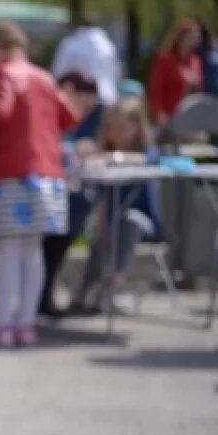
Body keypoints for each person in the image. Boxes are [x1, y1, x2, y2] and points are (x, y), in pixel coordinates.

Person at [0, 21, 78, 348]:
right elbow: (69, 118)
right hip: (47, 173)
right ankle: (26, 324)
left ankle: (3, 326)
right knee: (32, 249)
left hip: (12, 173)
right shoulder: (45, 77)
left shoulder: (3, 74)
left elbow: (1, 112)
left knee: (9, 249)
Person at [68, 97, 163, 314]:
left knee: (128, 222)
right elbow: (101, 198)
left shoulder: (146, 151)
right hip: (109, 221)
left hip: (141, 221)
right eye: (110, 127)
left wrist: (111, 157)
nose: (115, 133)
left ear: (138, 128)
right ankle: (86, 291)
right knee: (102, 239)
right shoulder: (102, 157)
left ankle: (113, 286)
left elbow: (146, 161)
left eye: (122, 127)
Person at [40, 70, 104, 318]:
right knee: (48, 249)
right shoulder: (52, 111)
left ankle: (45, 295)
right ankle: (41, 297)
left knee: (58, 248)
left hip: (71, 192)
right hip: (50, 189)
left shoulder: (86, 119)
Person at [50, 18, 121, 107]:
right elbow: (116, 72)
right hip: (106, 96)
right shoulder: (108, 46)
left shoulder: (70, 43)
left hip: (76, 96)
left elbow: (58, 70)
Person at [148, 17, 202, 128]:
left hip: (189, 119)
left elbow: (199, 90)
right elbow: (155, 89)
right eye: (191, 36)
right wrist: (159, 113)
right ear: (180, 37)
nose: (194, 40)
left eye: (197, 37)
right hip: (168, 117)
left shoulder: (195, 61)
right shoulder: (165, 59)